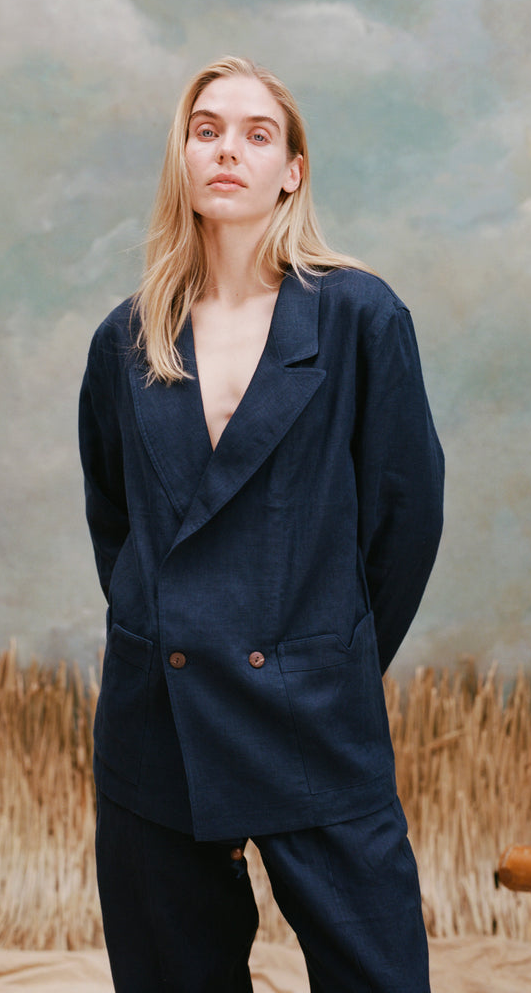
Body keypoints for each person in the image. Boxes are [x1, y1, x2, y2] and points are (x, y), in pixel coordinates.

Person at [79, 56, 444, 993]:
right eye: (206, 131)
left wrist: (330, 653)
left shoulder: (362, 316)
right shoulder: (126, 340)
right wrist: (164, 628)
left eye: (256, 133)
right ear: (184, 161)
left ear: (293, 169)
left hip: (315, 705)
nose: (228, 150)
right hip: (157, 711)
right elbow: (119, 524)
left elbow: (405, 517)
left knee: (379, 973)